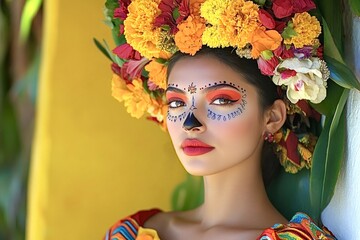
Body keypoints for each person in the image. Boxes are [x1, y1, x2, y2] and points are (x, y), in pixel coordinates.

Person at [99, 0, 337, 239]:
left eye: (222, 100)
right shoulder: (128, 233)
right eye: (176, 103)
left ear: (272, 117)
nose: (189, 123)